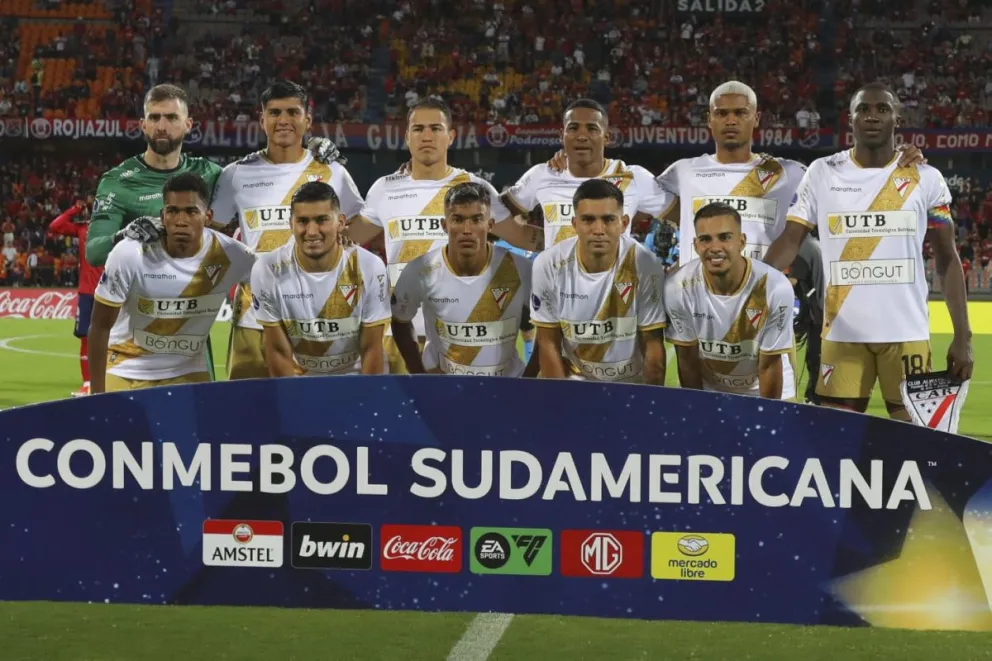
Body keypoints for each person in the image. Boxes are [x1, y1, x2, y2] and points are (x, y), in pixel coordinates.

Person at [764, 82, 974, 420]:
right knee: (836, 440)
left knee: (913, 442)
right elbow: (790, 240)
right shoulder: (822, 172)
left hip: (907, 334)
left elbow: (947, 259)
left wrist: (963, 336)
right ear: (850, 119)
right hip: (842, 334)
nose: (872, 116)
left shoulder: (926, 178)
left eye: (882, 109)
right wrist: (753, 289)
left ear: (898, 120)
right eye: (863, 109)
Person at [344, 99, 540, 375]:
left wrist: (573, 236)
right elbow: (345, 239)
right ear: (407, 137)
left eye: (435, 128)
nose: (426, 136)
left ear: (451, 136)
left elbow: (521, 236)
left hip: (459, 333)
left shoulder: (475, 187)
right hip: (399, 330)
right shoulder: (384, 189)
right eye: (418, 129)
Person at [209, 80, 365, 380]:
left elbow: (359, 224)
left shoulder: (332, 170)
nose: (283, 120)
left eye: (293, 112)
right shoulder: (236, 174)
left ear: (307, 120)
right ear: (262, 119)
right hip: (254, 316)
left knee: (313, 405)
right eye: (275, 112)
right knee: (248, 403)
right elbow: (210, 233)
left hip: (317, 316)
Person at [88, 173, 255, 393]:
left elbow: (277, 282)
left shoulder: (233, 255)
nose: (181, 221)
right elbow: (100, 327)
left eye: (191, 211)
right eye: (173, 211)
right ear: (162, 215)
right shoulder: (129, 253)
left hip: (188, 371)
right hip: (126, 367)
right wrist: (97, 396)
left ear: (208, 216)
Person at [391, 182, 538, 377]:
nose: (467, 230)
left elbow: (551, 325)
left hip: (507, 385)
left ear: (490, 225)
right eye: (458, 220)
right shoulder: (420, 270)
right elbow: (400, 321)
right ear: (445, 226)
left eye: (477, 220)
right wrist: (419, 374)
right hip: (443, 383)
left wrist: (529, 379)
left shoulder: (522, 269)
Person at [530, 179, 667, 384]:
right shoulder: (548, 264)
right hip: (575, 381)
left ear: (624, 223)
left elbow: (652, 345)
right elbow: (548, 342)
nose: (598, 229)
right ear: (575, 224)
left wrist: (648, 400)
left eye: (608, 219)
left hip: (630, 384)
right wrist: (559, 397)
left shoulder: (645, 264)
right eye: (588, 220)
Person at [250, 181, 390, 377]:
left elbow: (371, 349)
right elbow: (278, 351)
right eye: (302, 221)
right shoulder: (268, 270)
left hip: (356, 378)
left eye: (322, 220)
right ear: (291, 224)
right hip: (302, 380)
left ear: (341, 222)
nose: (312, 231)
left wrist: (364, 395)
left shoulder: (369, 266)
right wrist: (292, 395)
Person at [664, 202, 797, 400]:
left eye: (725, 237)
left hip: (763, 388)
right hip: (710, 388)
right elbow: (687, 360)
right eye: (705, 239)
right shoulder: (678, 287)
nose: (715, 247)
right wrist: (698, 409)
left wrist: (766, 414)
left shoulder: (775, 287)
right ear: (696, 245)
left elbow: (769, 366)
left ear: (741, 242)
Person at [507, 98, 673, 250]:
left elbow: (684, 214)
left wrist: (679, 268)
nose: (582, 136)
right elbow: (497, 216)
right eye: (573, 128)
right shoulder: (542, 175)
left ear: (606, 137)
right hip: (558, 274)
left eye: (592, 129)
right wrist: (546, 244)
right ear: (562, 136)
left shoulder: (633, 178)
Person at [48, 196, 101, 397]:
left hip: (109, 292)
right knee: (85, 338)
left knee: (114, 339)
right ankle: (87, 384)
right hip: (87, 292)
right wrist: (74, 210)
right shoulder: (82, 228)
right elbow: (55, 226)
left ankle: (109, 380)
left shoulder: (115, 230)